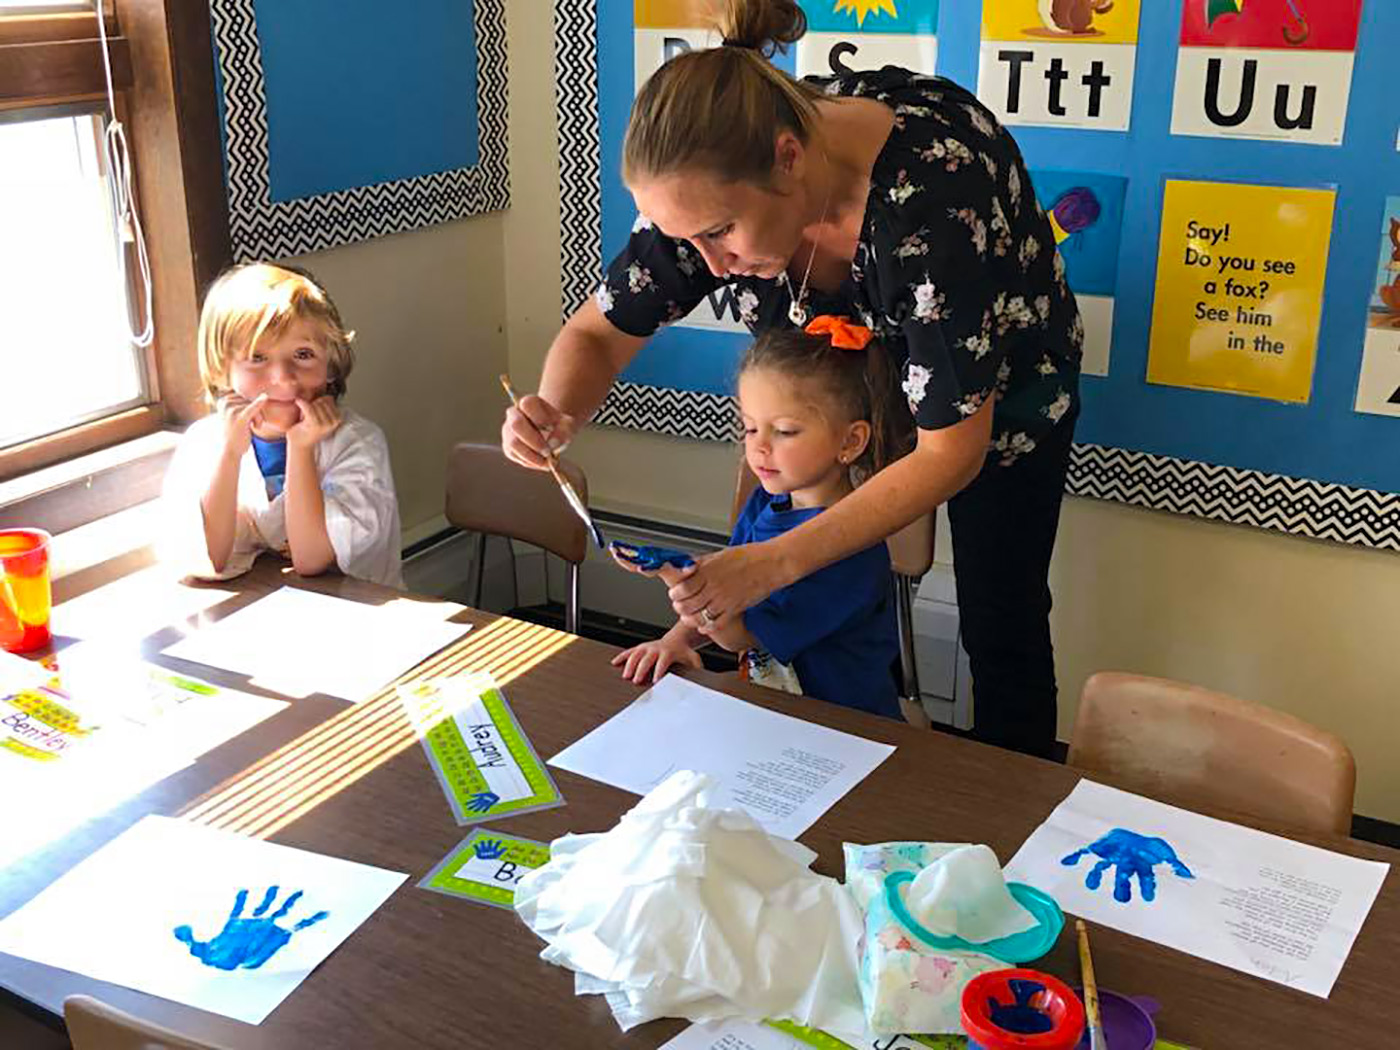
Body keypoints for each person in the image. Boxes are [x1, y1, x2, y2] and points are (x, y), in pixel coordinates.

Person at [504, 0, 1081, 757]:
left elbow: (951, 452)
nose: (705, 266)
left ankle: (1015, 806)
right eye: (684, 239)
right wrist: (555, 409)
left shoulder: (932, 202)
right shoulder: (709, 183)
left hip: (998, 403)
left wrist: (774, 565)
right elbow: (596, 335)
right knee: (778, 560)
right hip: (833, 395)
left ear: (788, 159)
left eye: (717, 235)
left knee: (998, 619)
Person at [613, 316, 906, 719]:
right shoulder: (766, 504)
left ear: (851, 441)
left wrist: (679, 582)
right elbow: (731, 591)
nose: (760, 448)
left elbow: (739, 636)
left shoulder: (849, 550)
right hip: (772, 714)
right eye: (750, 429)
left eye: (785, 431)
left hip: (848, 730)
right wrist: (675, 640)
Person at [161, 263, 403, 588]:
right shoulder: (206, 442)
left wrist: (301, 448)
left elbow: (311, 559)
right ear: (223, 368)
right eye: (257, 358)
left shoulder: (358, 442)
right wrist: (231, 454)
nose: (283, 378)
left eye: (303, 354)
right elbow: (210, 557)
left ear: (330, 365)